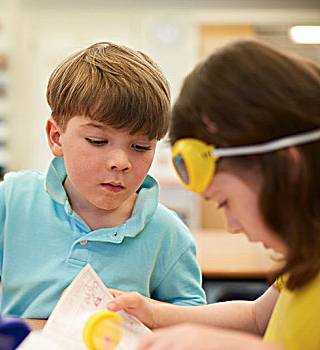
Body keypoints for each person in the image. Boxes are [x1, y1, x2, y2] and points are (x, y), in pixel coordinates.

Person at [0, 42, 206, 319]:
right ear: (56, 137)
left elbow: (192, 323)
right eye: (98, 141)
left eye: (141, 147)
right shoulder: (17, 198)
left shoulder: (167, 234)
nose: (121, 162)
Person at [107, 40, 320, 350]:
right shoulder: (307, 258)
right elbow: (256, 318)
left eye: (225, 202)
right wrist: (154, 313)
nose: (232, 225)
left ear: (288, 167)